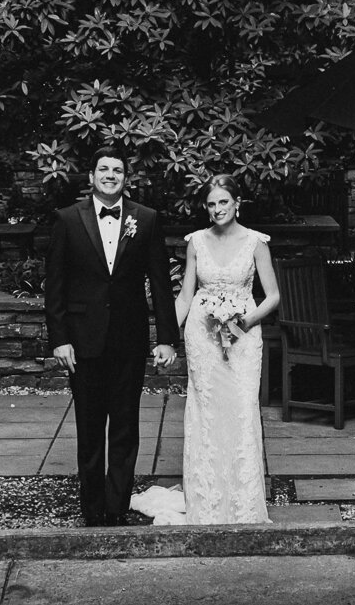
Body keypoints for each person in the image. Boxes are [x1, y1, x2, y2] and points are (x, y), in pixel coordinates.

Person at [43, 150, 179, 526]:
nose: (110, 175)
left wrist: (166, 338)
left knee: (124, 426)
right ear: (91, 176)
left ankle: (117, 507)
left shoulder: (145, 219)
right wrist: (60, 339)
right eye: (103, 169)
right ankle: (91, 509)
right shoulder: (67, 220)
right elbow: (55, 285)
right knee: (88, 430)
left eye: (117, 170)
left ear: (125, 178)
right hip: (82, 342)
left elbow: (161, 283)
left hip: (128, 340)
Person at [167, 174, 277, 524]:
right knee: (207, 411)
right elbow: (185, 295)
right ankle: (208, 501)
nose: (217, 209)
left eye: (223, 202)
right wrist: (167, 336)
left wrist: (242, 322)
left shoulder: (256, 243)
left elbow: (272, 296)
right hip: (202, 336)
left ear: (237, 203)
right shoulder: (196, 241)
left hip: (243, 337)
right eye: (212, 204)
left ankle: (243, 502)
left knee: (242, 408)